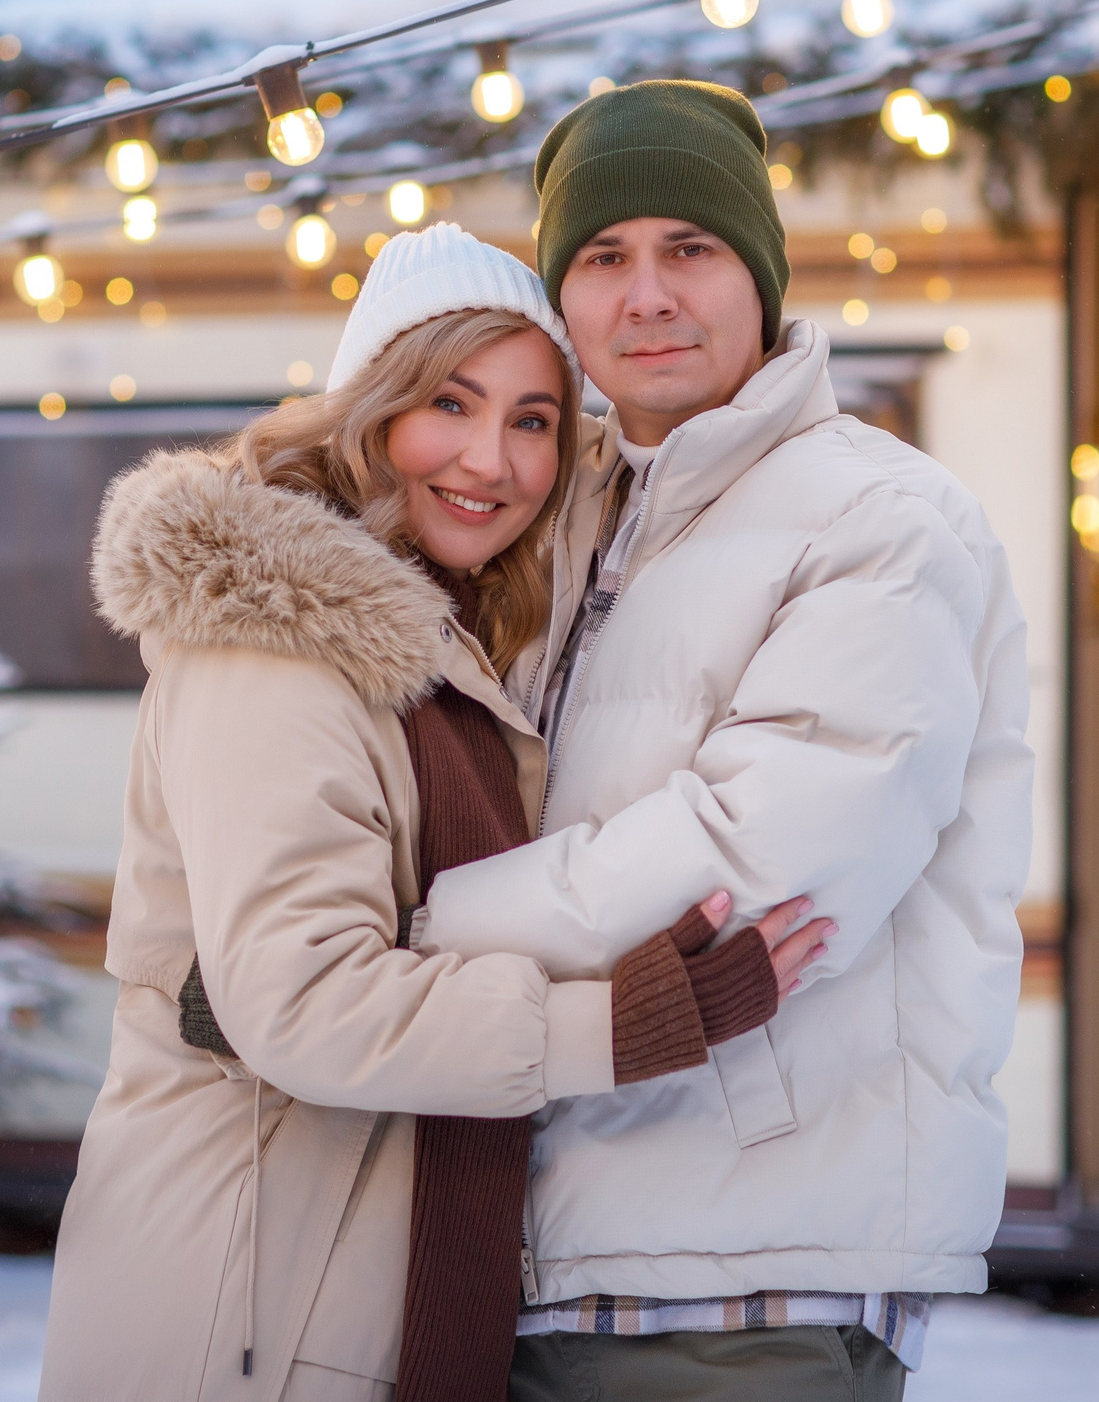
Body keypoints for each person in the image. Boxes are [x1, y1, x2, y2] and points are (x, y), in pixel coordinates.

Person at [37, 222, 831, 1402]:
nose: (491, 461)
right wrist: (622, 1023)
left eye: (531, 421)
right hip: (244, 1311)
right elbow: (300, 999)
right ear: (367, 411)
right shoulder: (276, 645)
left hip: (328, 1292)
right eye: (447, 405)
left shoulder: (447, 653)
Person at [411, 82, 1036, 1402]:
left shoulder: (881, 516)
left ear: (759, 276)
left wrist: (380, 950)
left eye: (688, 248)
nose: (646, 294)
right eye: (602, 256)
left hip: (755, 1271)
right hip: (528, 1254)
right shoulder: (544, 515)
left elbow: (753, 864)